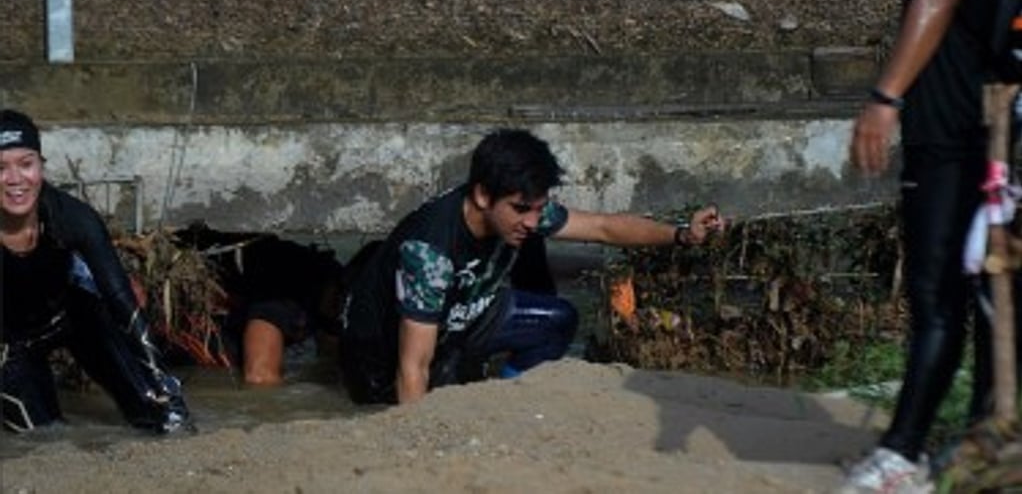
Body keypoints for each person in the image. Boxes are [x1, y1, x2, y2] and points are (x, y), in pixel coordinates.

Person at [338, 128, 723, 405]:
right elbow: (412, 366)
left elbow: (604, 227)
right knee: (417, 394)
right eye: (522, 210)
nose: (533, 223)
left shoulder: (523, 209)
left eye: (539, 210)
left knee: (555, 322)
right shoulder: (431, 252)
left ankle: (509, 401)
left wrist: (681, 236)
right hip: (383, 360)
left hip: (460, 319)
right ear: (483, 196)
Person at [842, 0, 1022, 491]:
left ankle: (903, 453)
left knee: (937, 293)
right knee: (992, 287)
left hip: (949, 121)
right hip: (996, 113)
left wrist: (886, 96)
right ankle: (983, 441)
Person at [0, 109, 191, 433]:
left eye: (26, 164)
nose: (16, 179)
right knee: (46, 439)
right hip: (11, 348)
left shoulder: (73, 218)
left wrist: (164, 386)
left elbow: (123, 303)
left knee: (163, 417)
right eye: (0, 168)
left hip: (74, 320)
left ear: (41, 167)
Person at [173, 223, 347, 386]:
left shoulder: (327, 294)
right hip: (188, 366)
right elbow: (259, 377)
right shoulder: (286, 290)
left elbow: (329, 358)